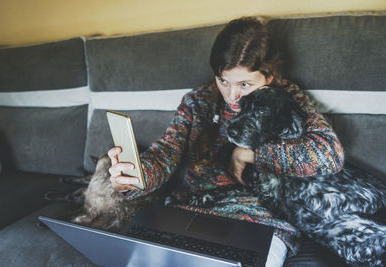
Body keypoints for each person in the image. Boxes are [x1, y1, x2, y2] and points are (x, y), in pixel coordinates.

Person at [107, 17, 344, 266]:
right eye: (223, 81)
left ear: (270, 77)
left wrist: (251, 153)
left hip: (258, 222)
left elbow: (329, 154)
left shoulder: (287, 99)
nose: (232, 96)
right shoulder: (198, 101)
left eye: (245, 84)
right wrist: (137, 174)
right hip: (191, 213)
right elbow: (167, 151)